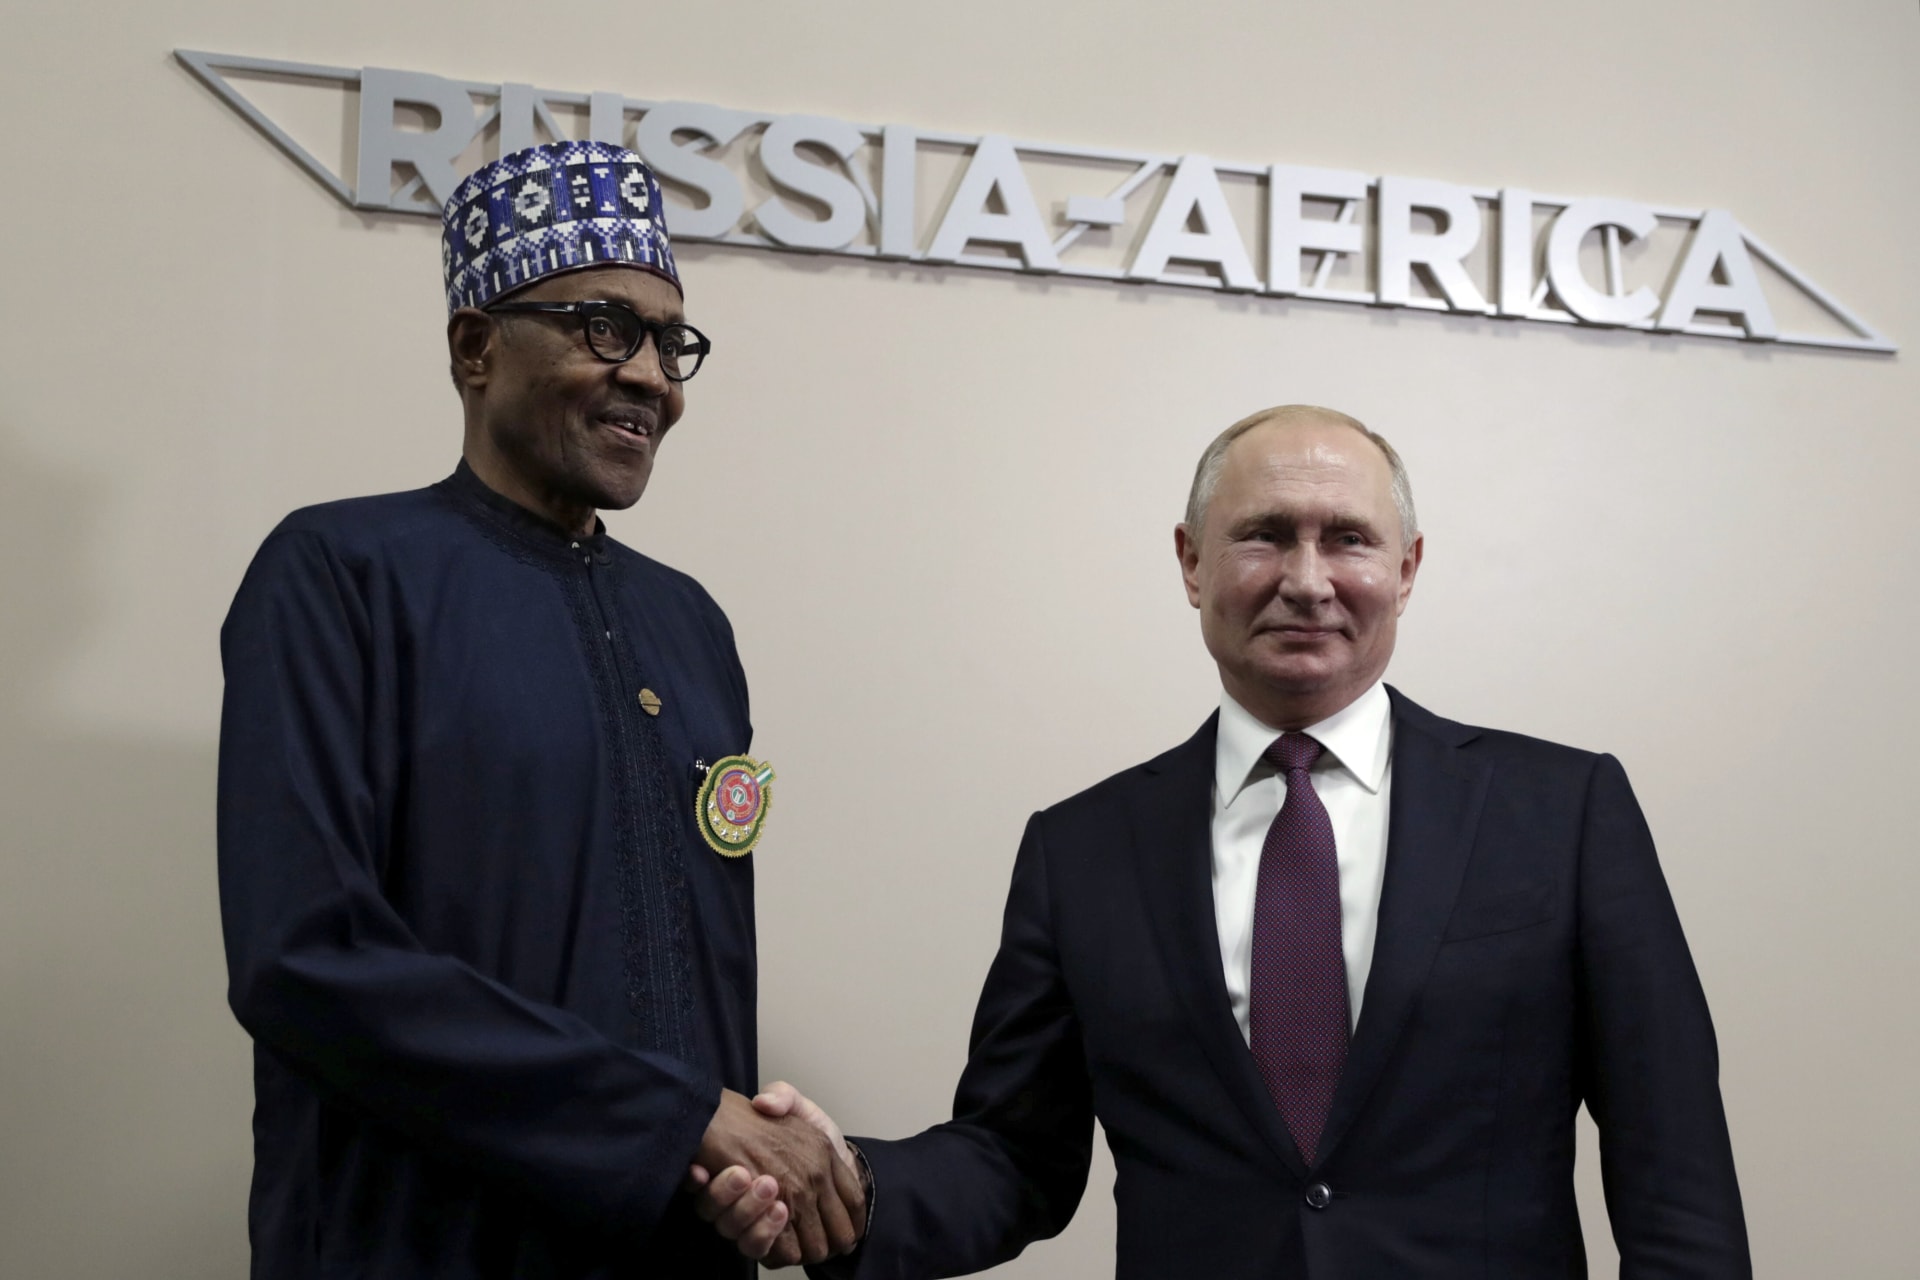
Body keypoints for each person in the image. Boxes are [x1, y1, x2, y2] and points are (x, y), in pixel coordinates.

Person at [704, 404, 1752, 1277]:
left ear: (1409, 566)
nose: (1308, 577)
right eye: (1265, 534)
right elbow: (1017, 1155)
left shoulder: (1563, 812)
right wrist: (846, 1187)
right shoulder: (1082, 850)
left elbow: (1677, 1179)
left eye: (1347, 536)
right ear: (1192, 561)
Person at [216, 141, 864, 1280]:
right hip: (415, 1245)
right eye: (604, 326)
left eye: (673, 342)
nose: (655, 376)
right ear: (475, 346)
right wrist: (675, 1115)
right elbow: (307, 956)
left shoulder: (690, 624)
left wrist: (737, 1160)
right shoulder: (341, 571)